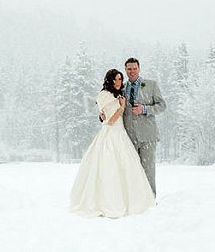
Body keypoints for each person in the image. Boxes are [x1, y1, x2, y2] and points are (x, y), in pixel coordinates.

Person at [70, 69, 156, 218]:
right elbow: (109, 120)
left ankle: (131, 200)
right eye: (115, 79)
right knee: (109, 168)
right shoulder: (105, 95)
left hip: (121, 133)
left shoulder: (117, 94)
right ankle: (109, 201)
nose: (118, 82)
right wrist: (121, 107)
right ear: (109, 80)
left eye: (120, 79)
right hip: (111, 134)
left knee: (126, 167)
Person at [121, 57, 166, 196]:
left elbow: (162, 106)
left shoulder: (151, 85)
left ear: (139, 69)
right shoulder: (121, 88)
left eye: (135, 68)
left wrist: (144, 109)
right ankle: (135, 199)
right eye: (129, 68)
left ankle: (151, 198)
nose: (132, 71)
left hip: (148, 135)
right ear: (125, 70)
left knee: (148, 169)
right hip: (129, 136)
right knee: (131, 169)